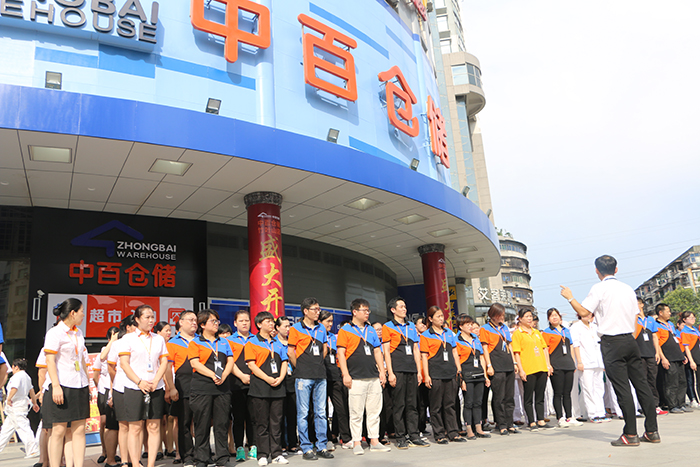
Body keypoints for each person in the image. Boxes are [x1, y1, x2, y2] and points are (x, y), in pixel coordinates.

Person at [561, 254, 659, 446]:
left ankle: (630, 434)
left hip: (611, 342)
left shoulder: (599, 288)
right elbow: (635, 317)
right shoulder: (628, 289)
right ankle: (652, 431)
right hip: (630, 340)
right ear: (616, 269)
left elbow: (584, 312)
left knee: (622, 388)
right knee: (641, 385)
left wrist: (570, 297)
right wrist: (630, 337)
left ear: (597, 271)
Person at [118, 305, 172, 467]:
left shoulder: (158, 339)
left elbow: (163, 362)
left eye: (152, 317)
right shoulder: (127, 339)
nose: (151, 320)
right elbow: (124, 364)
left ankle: (151, 464)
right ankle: (135, 463)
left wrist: (156, 380)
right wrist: (139, 381)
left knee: (154, 426)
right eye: (147, 317)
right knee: (135, 427)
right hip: (134, 387)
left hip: (155, 386)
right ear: (137, 319)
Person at [336, 298, 390, 455]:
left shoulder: (370, 330)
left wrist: (382, 371)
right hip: (356, 377)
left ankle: (374, 441)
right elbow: (341, 353)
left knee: (374, 411)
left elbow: (377, 351)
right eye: (364, 310)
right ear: (354, 312)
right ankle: (357, 442)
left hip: (373, 376)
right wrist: (345, 374)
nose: (367, 313)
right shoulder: (345, 330)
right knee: (356, 412)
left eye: (368, 310)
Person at [43, 299, 90, 467]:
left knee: (79, 429)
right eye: (82, 311)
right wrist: (56, 386)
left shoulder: (79, 333)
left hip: (79, 384)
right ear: (72, 313)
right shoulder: (55, 333)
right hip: (62, 384)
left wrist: (88, 383)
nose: (84, 315)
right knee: (59, 430)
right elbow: (50, 361)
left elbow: (81, 359)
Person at [287, 298, 333, 460]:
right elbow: (290, 352)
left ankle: (321, 446)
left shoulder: (321, 328)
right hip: (303, 376)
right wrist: (300, 366)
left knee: (321, 412)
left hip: (320, 375)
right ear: (305, 311)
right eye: (314, 309)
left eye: (319, 309)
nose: (317, 312)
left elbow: (325, 348)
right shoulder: (295, 328)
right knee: (303, 413)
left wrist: (317, 363)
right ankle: (306, 447)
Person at [189, 309, 234, 467]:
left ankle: (222, 458)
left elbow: (230, 360)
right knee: (202, 424)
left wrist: (224, 375)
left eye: (217, 321)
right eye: (213, 321)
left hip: (222, 388)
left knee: (222, 424)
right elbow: (195, 363)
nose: (216, 324)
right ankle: (202, 458)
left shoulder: (224, 342)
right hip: (202, 387)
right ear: (202, 325)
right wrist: (213, 375)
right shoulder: (195, 342)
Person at [381, 298, 427, 449]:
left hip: (411, 370)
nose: (404, 309)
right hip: (398, 370)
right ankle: (400, 436)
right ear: (393, 310)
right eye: (401, 307)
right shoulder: (388, 327)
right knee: (399, 404)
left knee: (412, 404)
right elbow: (386, 351)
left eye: (405, 306)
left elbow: (415, 349)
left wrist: (418, 371)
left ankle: (414, 435)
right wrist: (390, 373)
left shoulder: (411, 326)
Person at [246, 312, 290, 466]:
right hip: (260, 387)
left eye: (272, 321)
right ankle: (263, 454)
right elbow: (251, 365)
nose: (271, 324)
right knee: (262, 423)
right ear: (259, 325)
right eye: (268, 321)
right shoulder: (252, 342)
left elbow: (284, 362)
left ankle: (277, 453)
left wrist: (280, 377)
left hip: (278, 386)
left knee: (276, 422)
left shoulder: (277, 343)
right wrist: (267, 378)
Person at [420, 306, 464, 444]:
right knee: (436, 406)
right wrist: (426, 375)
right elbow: (424, 357)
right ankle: (439, 434)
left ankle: (453, 432)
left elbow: (455, 352)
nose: (441, 318)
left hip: (450, 373)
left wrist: (459, 370)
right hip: (435, 373)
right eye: (438, 316)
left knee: (450, 404)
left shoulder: (449, 333)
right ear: (430, 319)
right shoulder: (426, 335)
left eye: (441, 316)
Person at [479, 303, 518, 436]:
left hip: (508, 364)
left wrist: (514, 362)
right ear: (493, 315)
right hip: (496, 365)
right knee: (499, 397)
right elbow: (485, 349)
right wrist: (489, 365)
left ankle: (510, 423)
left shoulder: (504, 328)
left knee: (509, 396)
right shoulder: (485, 329)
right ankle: (501, 424)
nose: (502, 317)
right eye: (500, 315)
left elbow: (509, 345)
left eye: (503, 314)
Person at [512, 309, 553, 432]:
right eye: (526, 316)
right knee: (528, 397)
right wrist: (521, 369)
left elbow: (544, 348)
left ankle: (541, 420)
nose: (529, 319)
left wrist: (548, 365)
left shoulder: (536, 332)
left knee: (540, 396)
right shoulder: (518, 333)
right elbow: (517, 353)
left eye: (530, 316)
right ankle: (531, 421)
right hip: (528, 369)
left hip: (541, 367)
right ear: (520, 319)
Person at [167, 310, 198, 467]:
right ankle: (187, 456)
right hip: (183, 386)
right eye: (190, 319)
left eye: (195, 320)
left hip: (202, 386)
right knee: (184, 423)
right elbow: (167, 368)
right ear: (181, 322)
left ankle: (202, 454)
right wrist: (171, 388)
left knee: (202, 422)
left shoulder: (201, 341)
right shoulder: (173, 343)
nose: (194, 323)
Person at [541, 308, 582, 428]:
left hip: (568, 364)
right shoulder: (546, 332)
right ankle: (560, 418)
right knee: (558, 393)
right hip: (556, 365)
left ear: (560, 317)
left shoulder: (566, 331)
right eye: (552, 316)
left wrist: (573, 362)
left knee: (567, 393)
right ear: (548, 319)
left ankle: (570, 416)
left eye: (556, 315)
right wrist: (548, 365)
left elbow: (571, 347)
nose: (554, 317)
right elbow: (545, 349)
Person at [227, 310, 256, 461]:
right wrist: (242, 376)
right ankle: (239, 447)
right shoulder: (229, 340)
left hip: (254, 383)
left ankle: (253, 446)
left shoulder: (256, 339)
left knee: (253, 417)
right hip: (236, 384)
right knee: (238, 418)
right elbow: (229, 362)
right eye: (241, 321)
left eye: (247, 320)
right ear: (235, 323)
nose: (244, 323)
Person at [455, 315, 490, 440]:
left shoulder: (475, 339)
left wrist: (485, 376)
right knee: (468, 403)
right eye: (468, 324)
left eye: (471, 324)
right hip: (467, 375)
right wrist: (461, 379)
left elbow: (481, 358)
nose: (471, 327)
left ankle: (478, 428)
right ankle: (469, 428)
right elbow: (457, 360)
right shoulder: (456, 340)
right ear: (461, 327)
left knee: (478, 402)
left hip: (479, 374)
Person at [319, 311, 350, 449]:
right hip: (321, 377)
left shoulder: (335, 337)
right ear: (320, 322)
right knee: (322, 410)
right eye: (327, 321)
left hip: (336, 376)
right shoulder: (315, 337)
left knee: (341, 407)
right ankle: (326, 438)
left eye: (332, 321)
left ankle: (345, 437)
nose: (330, 324)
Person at [0, 358, 39, 457]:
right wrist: (34, 403)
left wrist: (9, 398)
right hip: (20, 405)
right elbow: (31, 391)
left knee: (23, 427)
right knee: (6, 430)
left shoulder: (17, 376)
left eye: (13, 367)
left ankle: (32, 450)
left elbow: (14, 388)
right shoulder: (27, 376)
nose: (12, 370)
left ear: (16, 367)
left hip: (16, 405)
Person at [93, 327, 120, 467]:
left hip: (116, 388)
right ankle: (104, 451)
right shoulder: (104, 350)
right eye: (112, 336)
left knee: (116, 423)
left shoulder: (121, 349)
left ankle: (113, 452)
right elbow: (95, 375)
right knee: (104, 422)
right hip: (103, 390)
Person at [634, 298, 665, 415]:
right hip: (639, 354)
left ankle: (655, 405)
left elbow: (655, 337)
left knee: (652, 379)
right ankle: (644, 406)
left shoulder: (650, 320)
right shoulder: (633, 320)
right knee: (642, 381)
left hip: (651, 353)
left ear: (642, 305)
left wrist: (657, 352)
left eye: (637, 304)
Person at [274, 316, 300, 454]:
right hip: (279, 380)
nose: (288, 329)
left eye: (289, 326)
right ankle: (281, 444)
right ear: (277, 327)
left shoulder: (292, 342)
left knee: (292, 413)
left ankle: (293, 443)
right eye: (285, 326)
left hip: (292, 379)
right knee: (280, 414)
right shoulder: (273, 343)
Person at [654, 303, 686, 413]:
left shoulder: (670, 324)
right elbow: (657, 344)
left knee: (682, 381)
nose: (670, 313)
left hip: (677, 355)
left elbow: (676, 339)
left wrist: (682, 355)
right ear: (660, 313)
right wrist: (663, 358)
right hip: (668, 357)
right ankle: (672, 405)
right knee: (671, 382)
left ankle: (681, 403)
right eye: (667, 311)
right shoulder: (656, 325)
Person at [154, 321, 177, 459]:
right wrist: (167, 388)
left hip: (171, 385)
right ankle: (158, 449)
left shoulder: (172, 345)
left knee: (170, 418)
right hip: (159, 386)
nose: (169, 333)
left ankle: (170, 447)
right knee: (159, 420)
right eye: (165, 330)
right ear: (158, 332)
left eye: (170, 330)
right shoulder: (155, 346)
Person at [679, 311, 700, 407]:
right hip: (693, 358)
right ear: (684, 320)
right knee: (693, 380)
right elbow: (686, 347)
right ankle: (694, 399)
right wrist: (691, 361)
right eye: (690, 318)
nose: (693, 319)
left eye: (693, 317)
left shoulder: (695, 329)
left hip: (698, 356)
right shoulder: (685, 331)